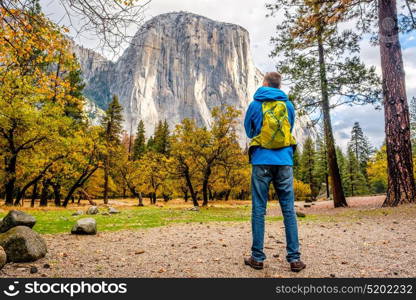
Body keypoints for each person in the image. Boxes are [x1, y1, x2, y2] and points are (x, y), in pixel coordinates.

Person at [243, 72, 306, 272]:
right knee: (288, 210)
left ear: (265, 83)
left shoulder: (255, 105)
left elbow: (249, 131)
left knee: (259, 209)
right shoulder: (288, 105)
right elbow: (289, 129)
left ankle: (257, 257)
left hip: (261, 160)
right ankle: (294, 259)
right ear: (279, 86)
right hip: (284, 161)